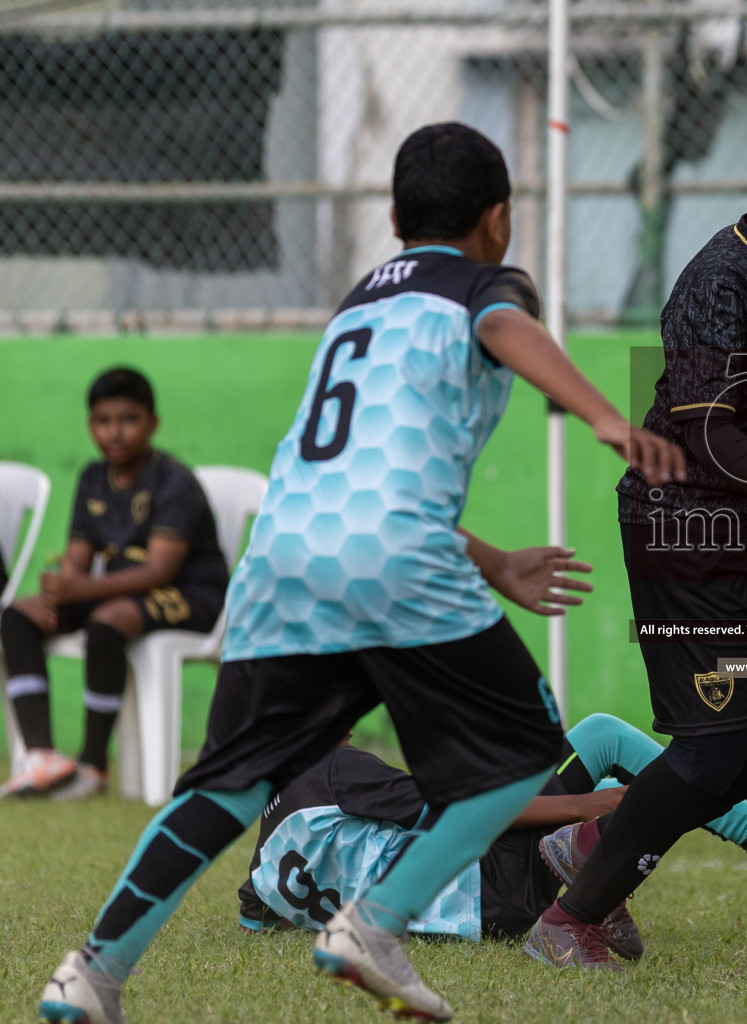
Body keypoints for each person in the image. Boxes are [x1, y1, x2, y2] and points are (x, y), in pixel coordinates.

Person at [38, 123, 685, 1024]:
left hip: (282, 553)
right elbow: (499, 324)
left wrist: (493, 561)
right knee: (522, 757)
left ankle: (94, 973)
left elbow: (360, 486)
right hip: (395, 557)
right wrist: (606, 421)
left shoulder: (354, 307)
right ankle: (373, 927)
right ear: (499, 218)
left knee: (225, 788)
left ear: (391, 218)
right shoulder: (489, 283)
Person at [522, 85, 747, 971]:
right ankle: (569, 923)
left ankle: (599, 844)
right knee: (714, 743)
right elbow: (707, 424)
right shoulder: (717, 277)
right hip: (687, 525)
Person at [237, 712, 747, 956]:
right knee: (602, 741)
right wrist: (593, 803)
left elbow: (256, 919)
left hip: (482, 913)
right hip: (500, 880)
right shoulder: (334, 767)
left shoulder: (266, 854)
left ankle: (606, 885)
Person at [2, 367, 228, 801]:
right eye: (103, 422)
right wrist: (60, 591)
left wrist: (77, 591)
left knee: (108, 620)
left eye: (128, 420)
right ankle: (41, 756)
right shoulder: (92, 477)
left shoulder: (173, 480)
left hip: (193, 597)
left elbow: (159, 571)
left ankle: (92, 764)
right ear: (91, 426)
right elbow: (79, 557)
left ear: (152, 423)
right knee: (18, 615)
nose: (115, 433)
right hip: (122, 593)